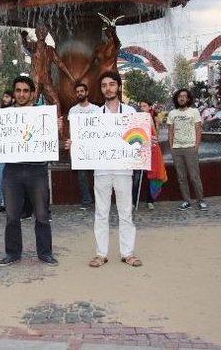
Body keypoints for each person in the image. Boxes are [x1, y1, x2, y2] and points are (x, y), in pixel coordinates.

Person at [67, 71, 143, 268]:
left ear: (118, 86)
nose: (108, 88)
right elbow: (83, 142)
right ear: (100, 89)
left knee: (125, 212)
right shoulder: (94, 115)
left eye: (111, 84)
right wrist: (73, 144)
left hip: (124, 170)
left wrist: (145, 142)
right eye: (104, 85)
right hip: (101, 170)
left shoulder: (130, 113)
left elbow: (137, 141)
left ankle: (128, 253)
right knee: (101, 212)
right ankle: (101, 253)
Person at [0, 75, 59, 267]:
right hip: (12, 171)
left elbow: (52, 140)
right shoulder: (3, 116)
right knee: (12, 215)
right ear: (14, 93)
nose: (22, 94)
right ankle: (13, 253)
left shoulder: (43, 115)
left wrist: (56, 127)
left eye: (26, 91)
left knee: (42, 214)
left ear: (32, 93)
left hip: (37, 170)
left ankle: (45, 253)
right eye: (18, 90)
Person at [167, 89, 208, 211]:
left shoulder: (194, 112)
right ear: (176, 98)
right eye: (180, 96)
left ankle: (201, 200)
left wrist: (196, 146)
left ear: (188, 99)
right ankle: (187, 201)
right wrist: (171, 147)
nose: (182, 98)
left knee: (194, 176)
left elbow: (198, 130)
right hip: (177, 149)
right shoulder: (172, 113)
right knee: (181, 177)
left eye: (184, 96)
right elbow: (170, 131)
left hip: (190, 148)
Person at [67, 82, 98, 210]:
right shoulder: (73, 110)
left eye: (82, 91)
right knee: (82, 177)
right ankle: (86, 201)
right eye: (77, 91)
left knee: (97, 176)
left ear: (87, 92)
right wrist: (71, 146)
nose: (79, 93)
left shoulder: (96, 109)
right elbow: (70, 130)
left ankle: (99, 201)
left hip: (94, 147)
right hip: (79, 148)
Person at [132, 100, 157, 211]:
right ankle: (133, 202)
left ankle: (150, 201)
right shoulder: (136, 119)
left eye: (144, 106)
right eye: (140, 106)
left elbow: (155, 136)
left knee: (151, 178)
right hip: (139, 152)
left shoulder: (152, 119)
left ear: (149, 107)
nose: (142, 108)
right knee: (137, 178)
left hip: (150, 151)